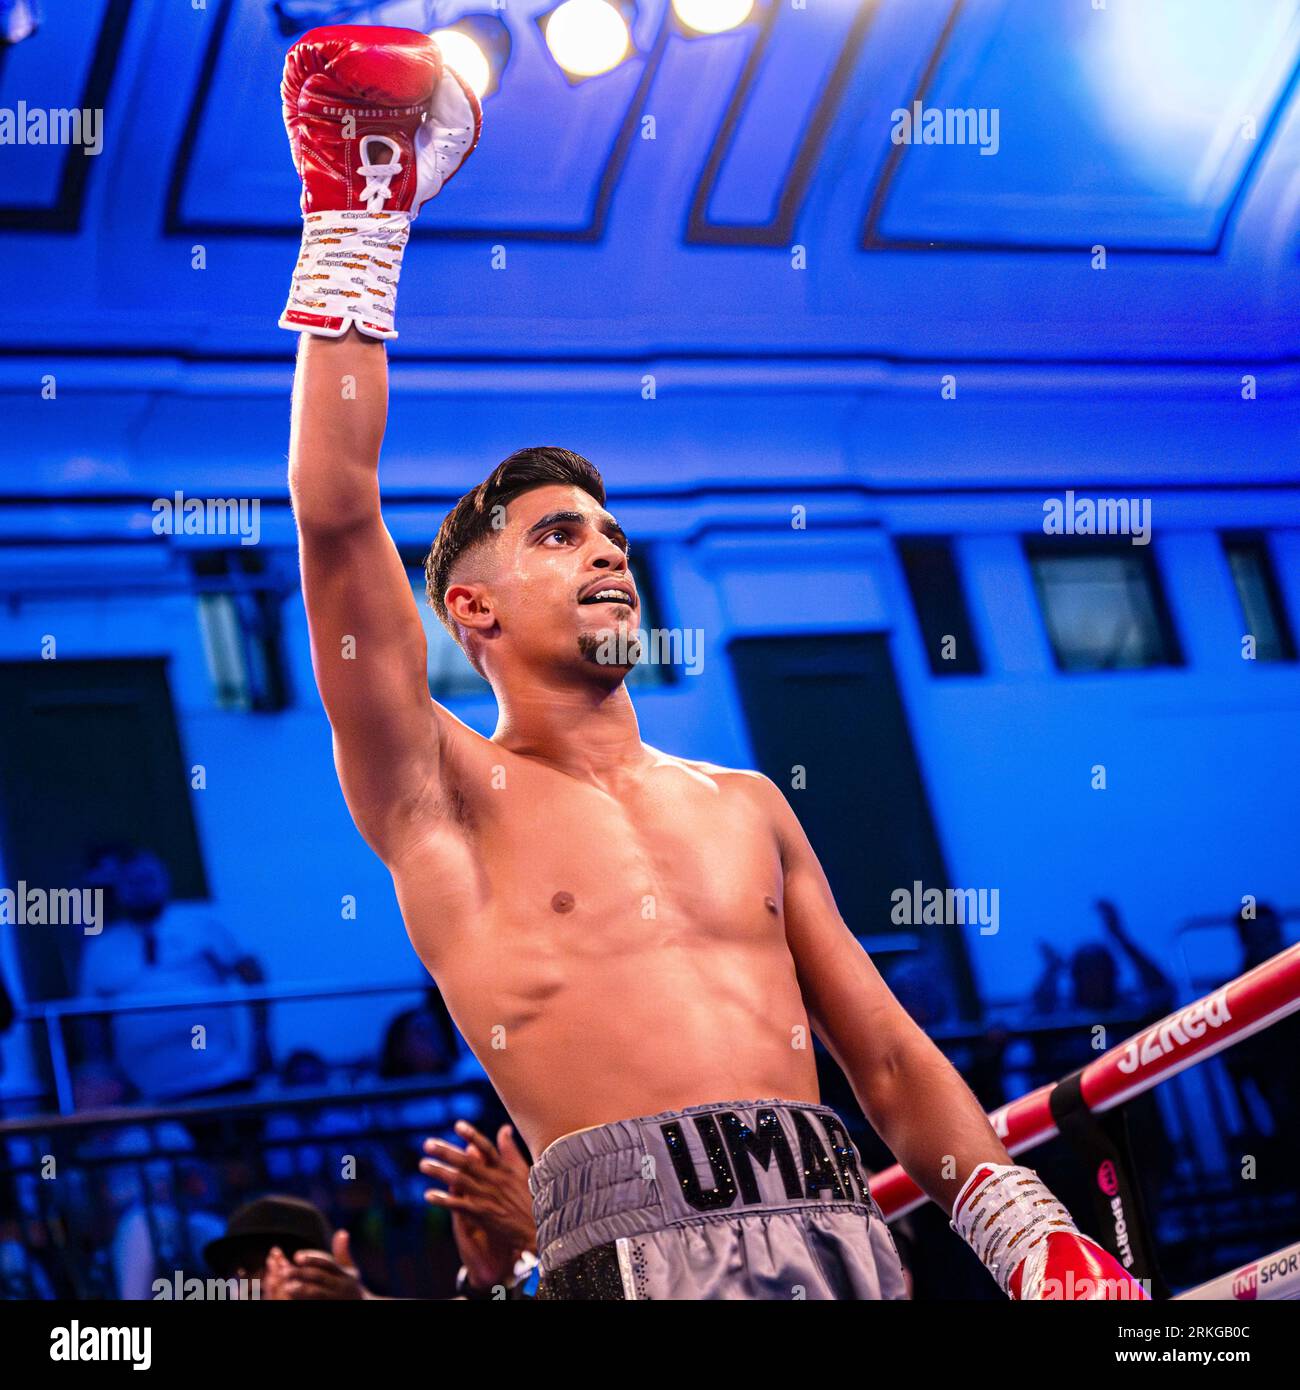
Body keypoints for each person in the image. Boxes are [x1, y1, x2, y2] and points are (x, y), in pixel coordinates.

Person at [281, 24, 1143, 1300]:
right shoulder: (437, 794)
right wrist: (357, 223)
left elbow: (890, 1064)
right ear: (469, 606)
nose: (606, 553)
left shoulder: (747, 805)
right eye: (560, 535)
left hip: (842, 1233)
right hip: (625, 1257)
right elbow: (337, 508)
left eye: (614, 534)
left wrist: (1027, 1232)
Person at [77, 849, 263, 1103]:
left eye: (148, 880)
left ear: (165, 882)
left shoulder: (203, 925)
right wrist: (103, 1071)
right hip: (150, 1091)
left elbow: (253, 975)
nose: (141, 889)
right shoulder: (101, 948)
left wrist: (261, 1037)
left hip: (221, 1076)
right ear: (119, 889)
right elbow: (91, 1017)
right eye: (132, 882)